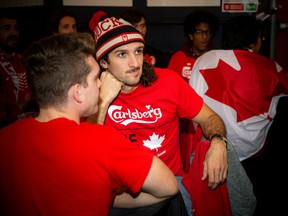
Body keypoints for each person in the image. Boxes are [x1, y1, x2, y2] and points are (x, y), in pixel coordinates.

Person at [0, 32, 179, 216]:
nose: (101, 83)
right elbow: (169, 186)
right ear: (77, 92)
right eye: (95, 78)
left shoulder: (6, 138)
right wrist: (108, 198)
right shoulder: (102, 141)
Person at [87, 16, 230, 216]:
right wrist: (102, 103)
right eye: (121, 54)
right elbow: (87, 159)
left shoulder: (168, 82)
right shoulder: (90, 93)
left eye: (138, 51)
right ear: (103, 62)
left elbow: (210, 118)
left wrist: (218, 142)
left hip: (169, 188)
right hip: (121, 195)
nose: (134, 62)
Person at [189, 15, 288, 216]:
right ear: (256, 40)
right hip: (254, 158)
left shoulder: (204, 59)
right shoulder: (269, 67)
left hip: (206, 151)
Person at [0, 12, 34, 128]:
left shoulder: (24, 60)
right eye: (6, 29)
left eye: (16, 28)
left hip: (28, 126)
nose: (13, 33)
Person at [168, 10, 219, 82]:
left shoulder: (218, 58)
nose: (204, 37)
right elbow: (170, 85)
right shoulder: (178, 58)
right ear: (191, 35)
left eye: (207, 32)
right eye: (199, 32)